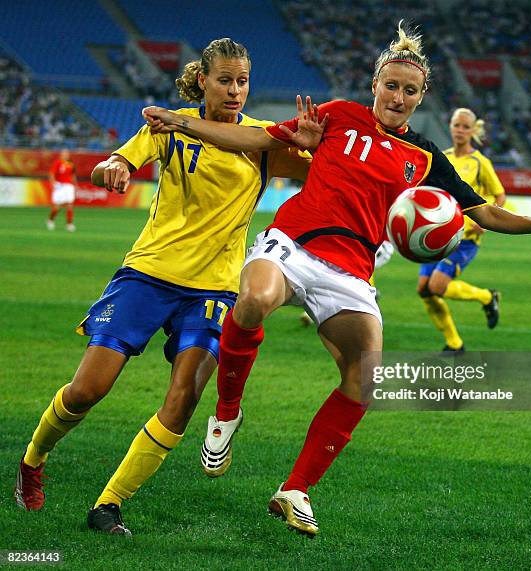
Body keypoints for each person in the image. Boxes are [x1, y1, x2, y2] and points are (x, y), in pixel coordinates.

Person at [142, 22, 531, 537]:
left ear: (421, 96)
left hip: (352, 271)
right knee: (253, 298)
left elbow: (484, 213)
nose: (398, 97)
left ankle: (295, 489)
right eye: (391, 85)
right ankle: (227, 412)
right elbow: (252, 136)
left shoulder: (424, 157)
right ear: (375, 83)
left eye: (410, 90)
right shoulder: (336, 117)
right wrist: (184, 125)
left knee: (367, 378)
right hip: (294, 243)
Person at [14, 38, 310, 536]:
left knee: (184, 396)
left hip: (214, 289)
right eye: (225, 80)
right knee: (88, 390)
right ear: (203, 80)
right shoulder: (170, 124)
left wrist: (318, 145)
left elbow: (320, 174)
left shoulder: (262, 140)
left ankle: (108, 505)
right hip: (149, 274)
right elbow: (126, 157)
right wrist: (115, 165)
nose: (235, 90)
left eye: (242, 81)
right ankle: (33, 458)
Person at [418, 108, 507, 353]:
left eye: (465, 127)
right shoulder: (442, 157)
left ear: (472, 131)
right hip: (438, 235)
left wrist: (484, 222)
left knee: (436, 286)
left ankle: (487, 297)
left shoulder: (480, 163)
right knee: (424, 290)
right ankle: (454, 343)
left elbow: (500, 195)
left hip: (465, 238)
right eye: (457, 125)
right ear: (450, 126)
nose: (460, 130)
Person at [47, 149, 77, 232]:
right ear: (61, 155)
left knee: (70, 205)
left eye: (67, 154)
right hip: (59, 186)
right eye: (64, 154)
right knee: (57, 207)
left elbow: (73, 175)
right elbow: (51, 174)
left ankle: (69, 224)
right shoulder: (57, 163)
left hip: (69, 186)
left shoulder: (71, 164)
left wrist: (75, 185)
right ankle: (50, 220)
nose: (66, 155)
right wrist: (53, 184)